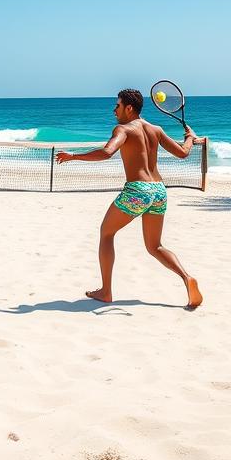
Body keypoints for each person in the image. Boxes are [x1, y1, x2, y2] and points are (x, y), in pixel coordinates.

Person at [56, 88, 204, 308]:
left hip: (138, 190)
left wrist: (74, 156)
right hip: (159, 191)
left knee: (106, 233)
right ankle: (186, 277)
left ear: (129, 107)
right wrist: (190, 138)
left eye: (117, 105)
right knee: (155, 246)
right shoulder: (156, 129)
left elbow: (107, 153)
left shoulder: (123, 129)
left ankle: (106, 291)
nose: (114, 109)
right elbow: (183, 152)